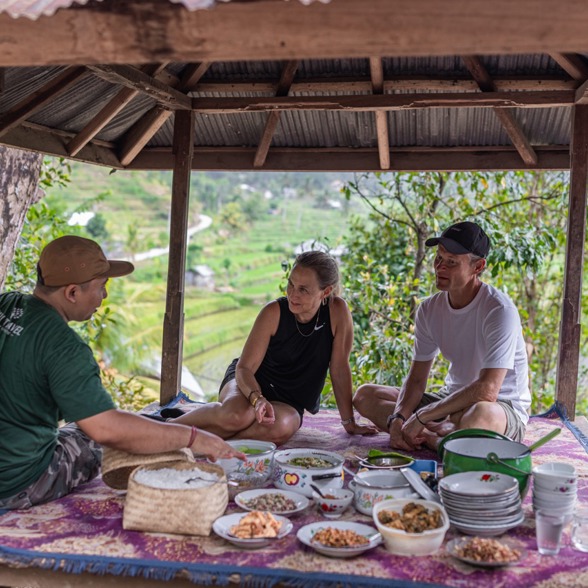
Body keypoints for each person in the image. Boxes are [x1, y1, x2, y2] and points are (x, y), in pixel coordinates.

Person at [0, 235, 243, 510]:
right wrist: (195, 438)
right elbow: (106, 429)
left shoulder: (7, 303)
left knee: (82, 426)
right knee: (95, 438)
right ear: (71, 293)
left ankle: (156, 428)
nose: (103, 296)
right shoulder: (64, 347)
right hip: (17, 481)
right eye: (102, 287)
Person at [352, 221, 531, 452]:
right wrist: (397, 418)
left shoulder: (499, 311)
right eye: (438, 259)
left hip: (500, 407)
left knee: (480, 415)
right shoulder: (429, 309)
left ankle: (438, 435)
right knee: (365, 395)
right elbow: (416, 380)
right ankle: (436, 438)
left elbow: (488, 389)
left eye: (451, 263)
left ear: (478, 267)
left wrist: (423, 416)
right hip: (451, 400)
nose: (440, 268)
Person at [168, 250, 378, 444]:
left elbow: (340, 369)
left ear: (326, 291)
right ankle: (167, 429)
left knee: (280, 428)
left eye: (303, 289)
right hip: (248, 383)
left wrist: (348, 422)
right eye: (291, 284)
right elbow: (244, 368)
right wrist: (257, 399)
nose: (293, 294)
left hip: (289, 399)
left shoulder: (337, 312)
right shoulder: (273, 312)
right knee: (238, 415)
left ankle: (206, 440)